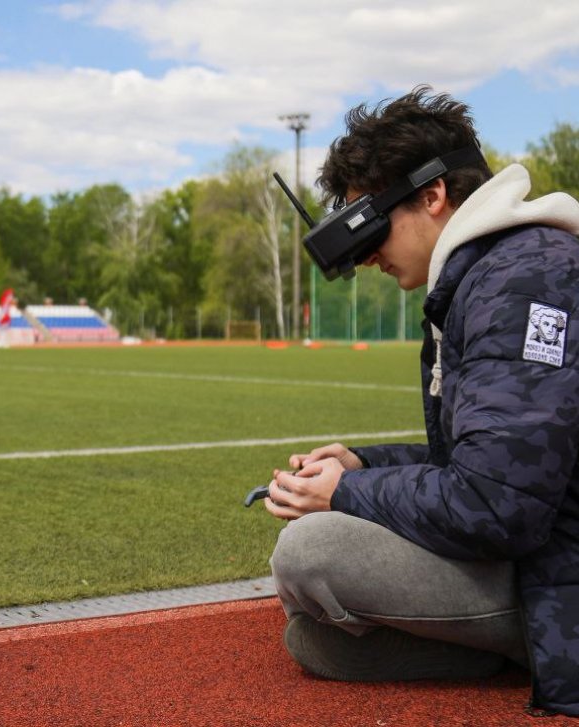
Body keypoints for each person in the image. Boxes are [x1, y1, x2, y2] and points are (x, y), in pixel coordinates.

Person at [263, 86, 579, 717]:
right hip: (550, 545)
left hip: (554, 557)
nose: (368, 252)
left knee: (313, 551)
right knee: (317, 638)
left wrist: (345, 495)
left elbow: (499, 505)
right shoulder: (495, 270)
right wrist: (364, 464)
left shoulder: (524, 279)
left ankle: (527, 646)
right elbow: (498, 458)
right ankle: (509, 648)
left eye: (372, 225)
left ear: (434, 196)